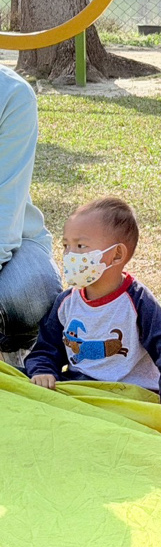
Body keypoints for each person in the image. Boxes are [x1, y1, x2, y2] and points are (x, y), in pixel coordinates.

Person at [25, 197, 161, 407]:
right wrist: (43, 370)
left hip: (132, 396)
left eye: (81, 246)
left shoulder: (138, 302)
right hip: (81, 390)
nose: (70, 255)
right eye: (66, 246)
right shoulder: (66, 302)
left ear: (116, 255)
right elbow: (47, 349)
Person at [0, 64, 62, 369]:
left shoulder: (12, 94)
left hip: (14, 241)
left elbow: (5, 210)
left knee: (29, 295)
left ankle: (16, 352)